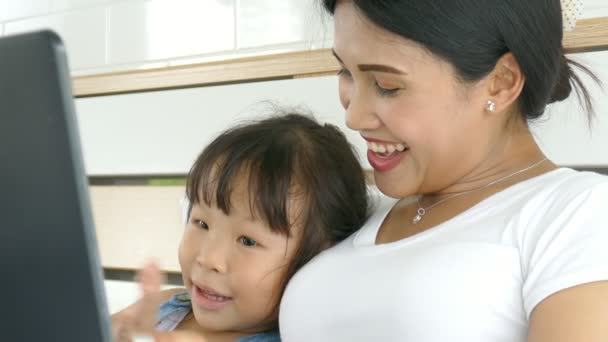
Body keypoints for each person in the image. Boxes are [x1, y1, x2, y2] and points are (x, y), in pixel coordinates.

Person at [279, 1, 608, 341]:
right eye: (346, 73)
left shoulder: (577, 215)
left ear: (501, 82)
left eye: (387, 85)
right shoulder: (359, 211)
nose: (354, 117)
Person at [111, 112, 369, 341]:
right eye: (201, 223)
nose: (207, 258)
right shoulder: (166, 304)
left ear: (316, 264)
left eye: (247, 241)